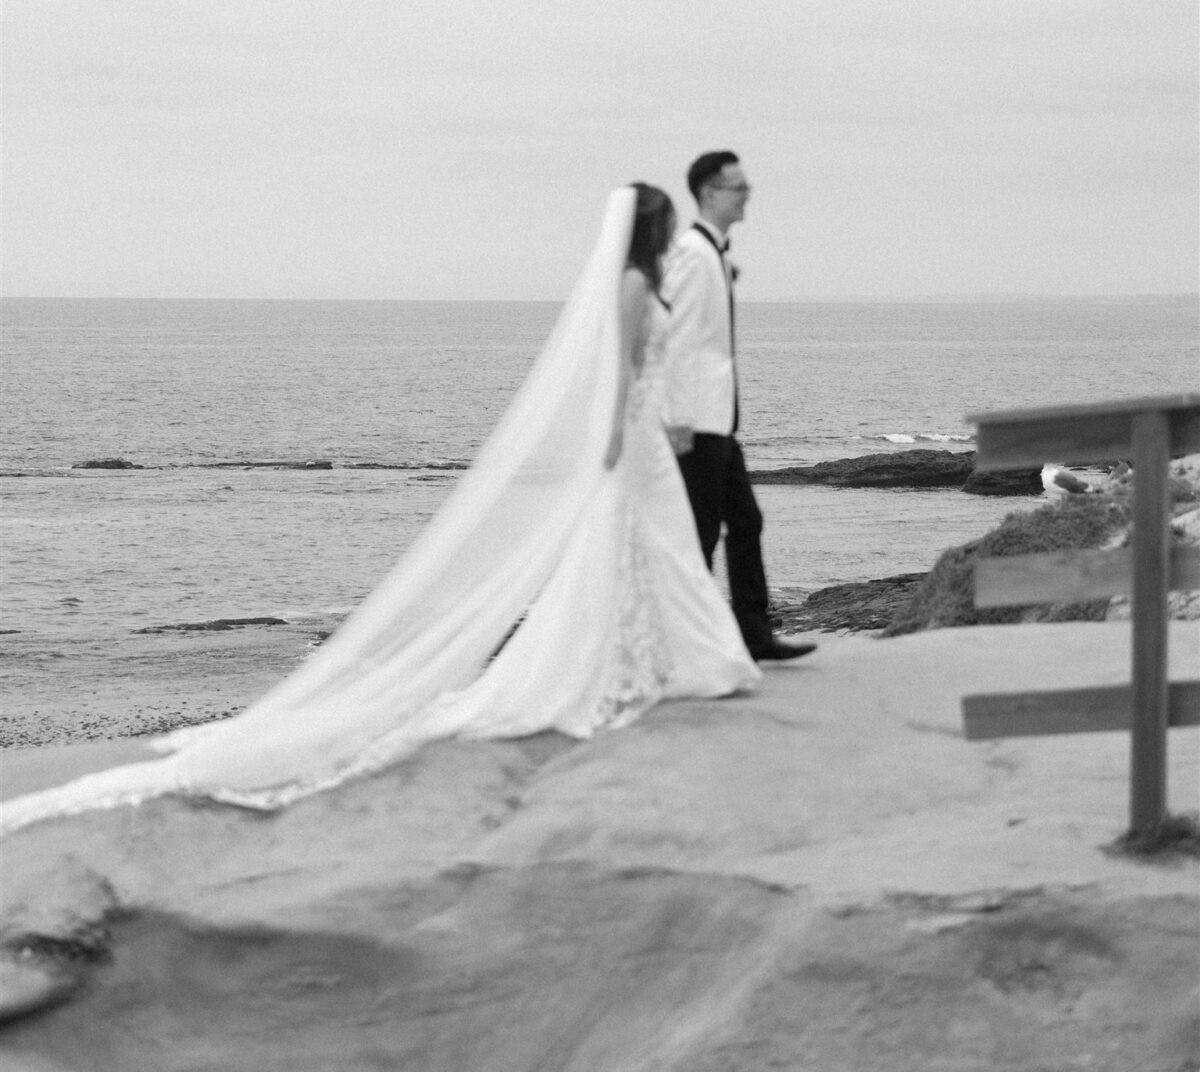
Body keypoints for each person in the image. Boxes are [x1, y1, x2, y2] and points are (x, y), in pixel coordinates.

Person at [0, 185, 758, 832]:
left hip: (653, 438)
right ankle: (666, 659)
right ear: (651, 228)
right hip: (632, 441)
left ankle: (669, 657)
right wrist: (619, 440)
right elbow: (618, 371)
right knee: (639, 546)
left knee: (655, 549)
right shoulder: (630, 284)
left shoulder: (648, 278)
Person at [663, 151, 815, 662]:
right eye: (738, 186)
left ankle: (752, 634)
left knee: (745, 521)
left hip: (718, 421)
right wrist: (679, 420)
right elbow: (678, 343)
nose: (747, 194)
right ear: (709, 192)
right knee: (701, 535)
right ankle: (691, 641)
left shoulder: (714, 254)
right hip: (697, 423)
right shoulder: (692, 254)